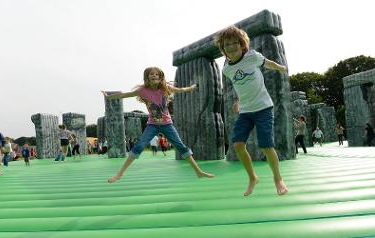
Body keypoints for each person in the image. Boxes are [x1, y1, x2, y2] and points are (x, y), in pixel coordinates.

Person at [102, 66, 214, 183]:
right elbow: (123, 95)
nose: (154, 75)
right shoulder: (142, 91)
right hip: (152, 124)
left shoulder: (166, 88)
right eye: (151, 74)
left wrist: (192, 87)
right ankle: (120, 174)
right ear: (147, 77)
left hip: (167, 124)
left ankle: (198, 172)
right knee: (139, 146)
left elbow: (181, 90)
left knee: (181, 147)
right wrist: (108, 96)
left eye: (156, 74)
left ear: (160, 77)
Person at [214, 25, 288, 196]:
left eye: (234, 43)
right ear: (223, 49)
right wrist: (238, 101)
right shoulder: (227, 69)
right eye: (227, 45)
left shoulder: (252, 56)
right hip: (246, 111)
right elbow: (242, 86)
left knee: (266, 145)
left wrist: (280, 67)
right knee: (238, 144)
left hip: (263, 107)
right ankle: (252, 177)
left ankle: (278, 178)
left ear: (242, 45)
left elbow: (267, 63)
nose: (231, 47)